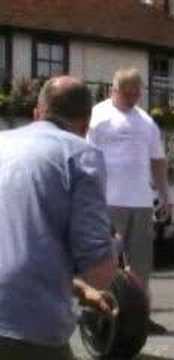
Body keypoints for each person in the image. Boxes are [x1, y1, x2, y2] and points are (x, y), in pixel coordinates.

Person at [0, 76, 116, 359]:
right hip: (26, 327)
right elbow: (99, 273)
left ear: (36, 114)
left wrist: (80, 291)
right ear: (86, 125)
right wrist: (115, 246)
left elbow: (19, 248)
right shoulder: (81, 155)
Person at [87, 67, 170, 332]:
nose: (133, 99)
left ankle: (141, 319)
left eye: (137, 94)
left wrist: (165, 195)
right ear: (114, 90)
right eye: (128, 94)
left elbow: (157, 160)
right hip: (107, 202)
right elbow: (84, 157)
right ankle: (98, 317)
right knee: (104, 263)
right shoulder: (97, 116)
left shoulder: (146, 121)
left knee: (141, 266)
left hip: (142, 203)